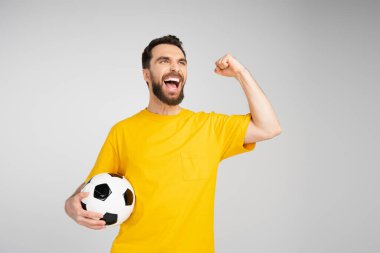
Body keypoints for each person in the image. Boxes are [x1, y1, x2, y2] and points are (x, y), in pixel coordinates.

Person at [64, 35, 281, 252]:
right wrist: (70, 205)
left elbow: (268, 127)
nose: (175, 67)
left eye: (181, 62)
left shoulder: (210, 127)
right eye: (164, 61)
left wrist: (241, 74)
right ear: (146, 74)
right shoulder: (122, 131)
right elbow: (90, 187)